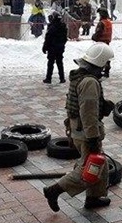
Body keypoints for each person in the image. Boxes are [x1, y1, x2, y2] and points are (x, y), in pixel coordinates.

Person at [42, 43, 115, 212]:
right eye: (106, 63)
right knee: (88, 169)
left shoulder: (80, 77)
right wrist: (92, 137)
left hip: (79, 129)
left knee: (99, 164)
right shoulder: (89, 82)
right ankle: (54, 190)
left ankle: (94, 197)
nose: (108, 66)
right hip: (86, 132)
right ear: (100, 62)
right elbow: (88, 112)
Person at [42, 11, 68, 84]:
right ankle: (62, 78)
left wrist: (45, 46)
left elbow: (48, 38)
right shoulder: (63, 26)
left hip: (52, 48)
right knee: (60, 63)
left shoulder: (52, 26)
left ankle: (48, 78)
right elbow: (65, 38)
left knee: (50, 63)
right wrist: (62, 44)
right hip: (60, 48)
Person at [91, 8, 112, 78]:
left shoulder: (101, 23)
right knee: (106, 56)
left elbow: (98, 33)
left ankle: (98, 71)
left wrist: (93, 37)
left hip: (101, 41)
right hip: (107, 41)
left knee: (99, 57)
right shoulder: (109, 22)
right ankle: (107, 70)